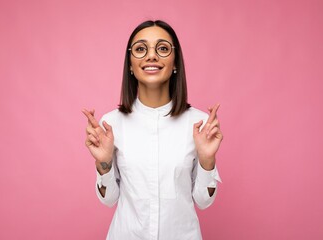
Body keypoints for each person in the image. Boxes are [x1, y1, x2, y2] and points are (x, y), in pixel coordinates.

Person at [82, 20, 223, 240]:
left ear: (175, 62)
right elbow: (109, 199)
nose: (151, 56)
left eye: (163, 48)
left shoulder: (199, 124)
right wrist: (104, 164)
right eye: (140, 49)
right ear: (130, 64)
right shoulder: (111, 124)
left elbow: (204, 202)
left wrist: (207, 160)